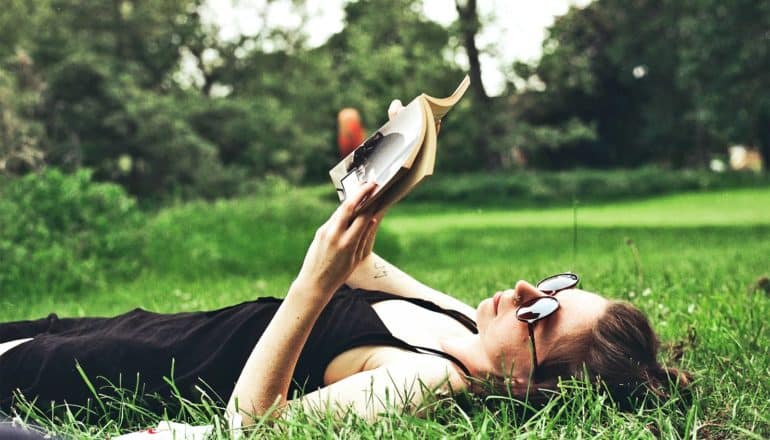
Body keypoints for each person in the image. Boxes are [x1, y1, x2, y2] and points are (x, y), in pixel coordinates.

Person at [0, 104, 690, 428]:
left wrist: (309, 287)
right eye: (557, 286)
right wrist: (385, 168)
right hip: (158, 329)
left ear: (530, 382)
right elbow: (364, 271)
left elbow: (250, 428)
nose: (524, 290)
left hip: (133, 368)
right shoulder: (466, 329)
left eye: (542, 311)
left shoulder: (431, 380)